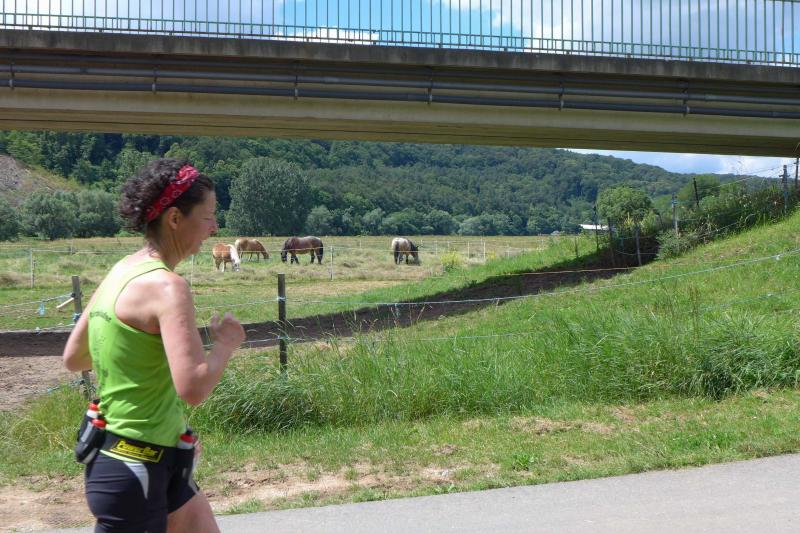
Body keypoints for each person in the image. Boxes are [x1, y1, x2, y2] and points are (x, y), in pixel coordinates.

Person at [63, 158, 246, 532]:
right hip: (137, 469)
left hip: (141, 457)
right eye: (208, 216)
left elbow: (75, 357)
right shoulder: (168, 287)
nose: (214, 228)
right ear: (175, 218)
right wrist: (225, 345)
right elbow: (193, 387)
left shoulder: (122, 269)